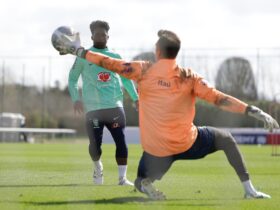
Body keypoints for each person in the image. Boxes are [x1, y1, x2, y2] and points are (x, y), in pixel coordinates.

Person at [58, 29, 279, 200]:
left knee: (140, 180)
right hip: (187, 142)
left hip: (157, 149)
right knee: (226, 139)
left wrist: (78, 51)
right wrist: (252, 110)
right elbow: (218, 97)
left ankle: (145, 182)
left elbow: (109, 63)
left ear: (159, 52)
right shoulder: (188, 76)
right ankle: (249, 189)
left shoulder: (144, 70)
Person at [68, 20, 138, 186]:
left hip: (115, 107)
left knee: (121, 141)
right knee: (95, 145)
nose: (100, 36)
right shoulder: (83, 56)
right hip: (93, 109)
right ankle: (97, 167)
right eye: (97, 34)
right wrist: (75, 99)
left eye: (103, 34)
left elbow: (126, 79)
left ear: (108, 36)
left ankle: (122, 178)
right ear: (92, 36)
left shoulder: (115, 57)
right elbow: (72, 79)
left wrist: (136, 98)